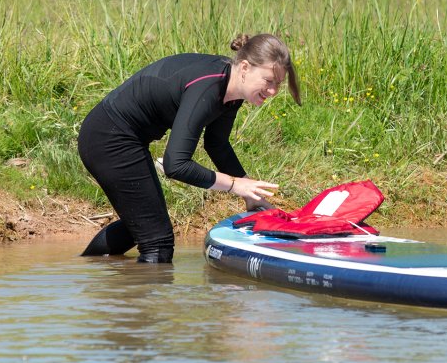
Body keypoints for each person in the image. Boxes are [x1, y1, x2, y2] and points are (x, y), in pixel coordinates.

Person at [78, 33, 300, 262]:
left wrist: (252, 192)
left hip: (121, 137)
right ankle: (145, 296)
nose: (273, 91)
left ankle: (88, 268)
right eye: (268, 81)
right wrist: (235, 185)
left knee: (143, 223)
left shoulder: (233, 90)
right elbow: (176, 165)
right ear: (245, 67)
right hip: (108, 138)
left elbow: (217, 145)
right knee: (158, 243)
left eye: (278, 84)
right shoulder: (209, 86)